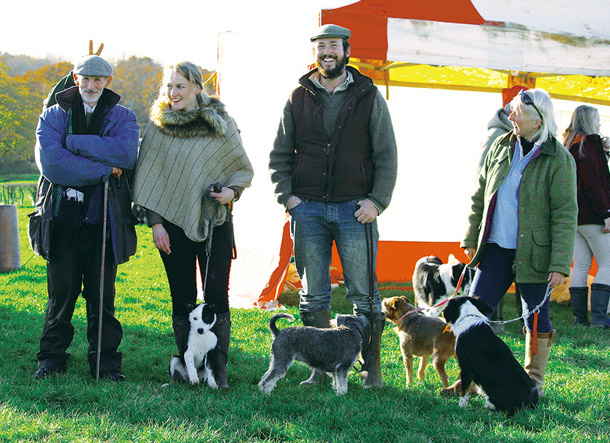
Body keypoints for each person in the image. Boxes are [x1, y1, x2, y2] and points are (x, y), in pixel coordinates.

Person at [269, 24, 398, 388]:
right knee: (313, 294)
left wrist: (377, 201)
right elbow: (279, 153)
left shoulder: (369, 95)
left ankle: (371, 371)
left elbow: (387, 155)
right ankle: (319, 371)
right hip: (307, 207)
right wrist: (288, 197)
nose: (327, 52)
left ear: (346, 50)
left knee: (365, 295)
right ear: (315, 53)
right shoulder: (298, 95)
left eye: (333, 46)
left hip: (355, 209)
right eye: (321, 46)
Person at [132, 61, 253, 389]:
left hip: (216, 220)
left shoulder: (221, 123)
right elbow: (147, 179)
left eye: (180, 87)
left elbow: (240, 168)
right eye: (169, 87)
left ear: (198, 88)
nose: (173, 93)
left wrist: (231, 192)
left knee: (216, 294)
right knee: (182, 294)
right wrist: (155, 223)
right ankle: (189, 366)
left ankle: (217, 366)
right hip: (170, 226)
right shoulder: (158, 126)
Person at [457, 89, 577, 397]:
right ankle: (469, 382)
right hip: (496, 249)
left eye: (517, 114)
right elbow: (480, 194)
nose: (510, 117)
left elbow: (565, 214)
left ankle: (532, 383)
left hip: (536, 254)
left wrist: (560, 264)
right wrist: (472, 237)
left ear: (538, 121)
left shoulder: (560, 159)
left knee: (535, 316)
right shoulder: (501, 145)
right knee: (472, 313)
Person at [33, 55, 140, 381]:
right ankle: (51, 360)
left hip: (105, 222)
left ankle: (105, 364)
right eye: (86, 78)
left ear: (108, 81)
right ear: (75, 79)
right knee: (61, 295)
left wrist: (74, 144)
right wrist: (105, 168)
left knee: (102, 296)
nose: (92, 85)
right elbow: (53, 165)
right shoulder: (52, 115)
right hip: (61, 221)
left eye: (99, 79)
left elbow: (126, 154)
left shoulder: (124, 116)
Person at [476, 85, 529, 332]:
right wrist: (472, 234)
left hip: (525, 237)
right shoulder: (497, 139)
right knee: (482, 299)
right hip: (498, 232)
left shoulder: (535, 147)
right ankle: (493, 325)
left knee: (532, 306)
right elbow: (483, 187)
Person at [564, 105, 610, 328]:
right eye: (597, 120)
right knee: (608, 264)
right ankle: (600, 319)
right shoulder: (588, 149)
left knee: (580, 267)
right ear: (590, 121)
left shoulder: (570, 146)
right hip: (593, 216)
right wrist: (606, 213)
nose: (600, 124)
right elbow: (593, 185)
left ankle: (579, 320)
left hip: (575, 217)